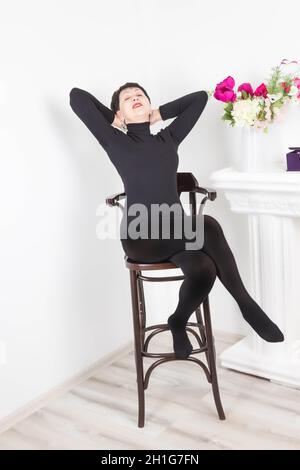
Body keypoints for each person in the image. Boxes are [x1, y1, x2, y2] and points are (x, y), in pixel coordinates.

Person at [69, 82, 284, 359]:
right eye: (127, 98)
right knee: (206, 225)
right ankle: (245, 303)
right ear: (119, 112)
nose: (135, 98)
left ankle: (178, 321)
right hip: (141, 237)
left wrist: (157, 113)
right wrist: (114, 119)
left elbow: (198, 99)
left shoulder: (167, 138)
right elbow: (78, 97)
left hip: (176, 232)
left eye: (140, 96)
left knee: (203, 267)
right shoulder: (114, 140)